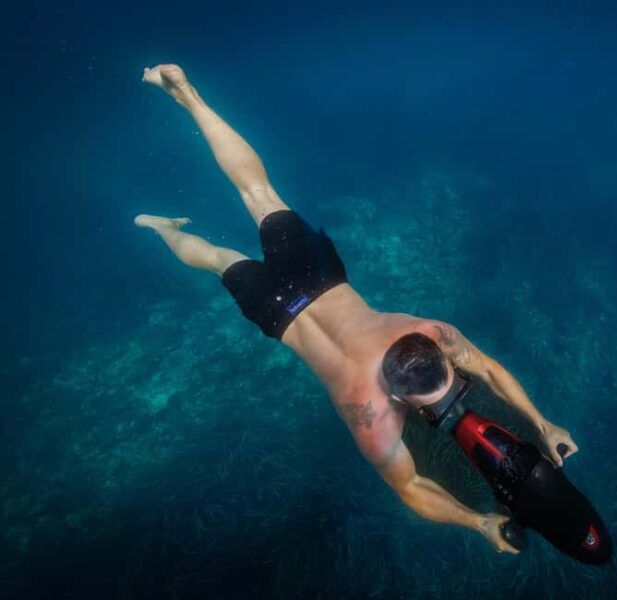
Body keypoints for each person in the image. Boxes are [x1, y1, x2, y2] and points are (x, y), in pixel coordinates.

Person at [135, 64, 579, 555]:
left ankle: (186, 94)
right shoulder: (371, 416)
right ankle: (161, 228)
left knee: (258, 193)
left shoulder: (427, 330)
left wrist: (543, 425)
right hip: (279, 314)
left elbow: (488, 371)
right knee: (219, 260)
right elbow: (411, 488)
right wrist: (480, 523)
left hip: (315, 278)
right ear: (400, 394)